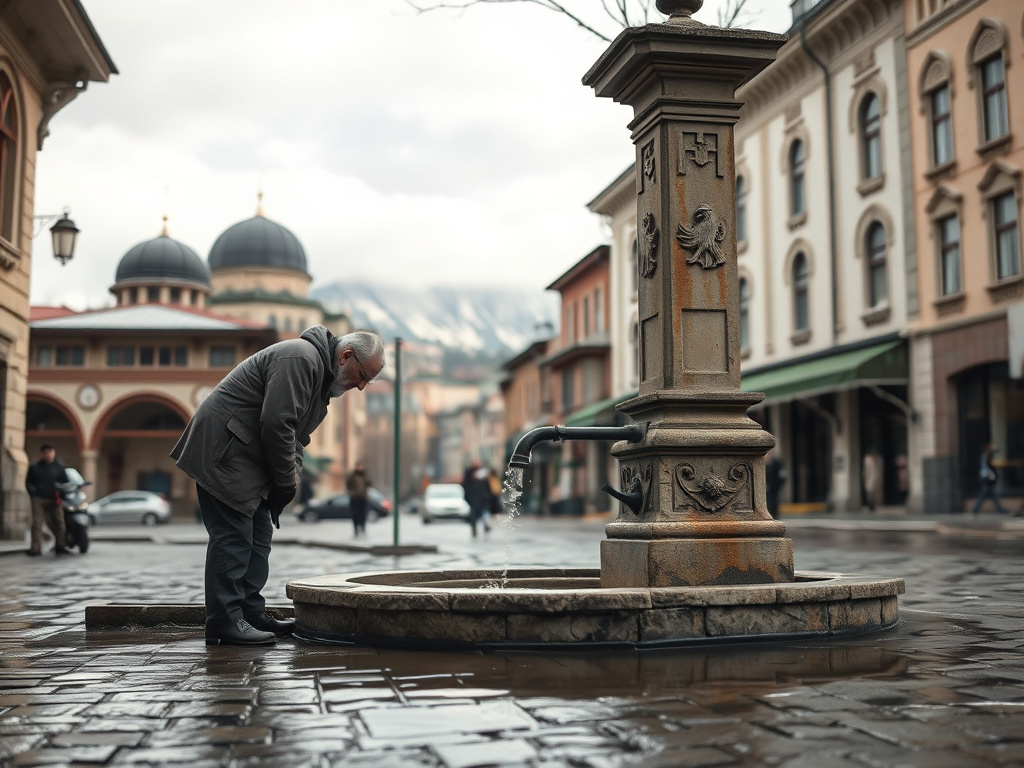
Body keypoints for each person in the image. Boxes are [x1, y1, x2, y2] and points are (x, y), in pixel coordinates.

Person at [171, 326, 384, 646]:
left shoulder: (319, 381)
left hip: (245, 458)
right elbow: (277, 423)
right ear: (346, 356)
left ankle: (250, 612)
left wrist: (289, 482)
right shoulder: (302, 359)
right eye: (363, 375)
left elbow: (297, 439)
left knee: (259, 536)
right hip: (225, 452)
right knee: (233, 537)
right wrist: (285, 482)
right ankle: (223, 621)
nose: (362, 386)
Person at [24, 444, 70, 557]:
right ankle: (36, 547)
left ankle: (60, 545)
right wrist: (33, 492)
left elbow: (65, 483)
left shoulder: (59, 467)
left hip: (54, 498)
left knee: (59, 522)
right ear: (42, 453)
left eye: (50, 452)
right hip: (39, 498)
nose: (48, 454)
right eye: (46, 452)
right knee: (37, 523)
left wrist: (62, 493)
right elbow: (28, 482)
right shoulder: (35, 467)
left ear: (53, 453)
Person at [971, 442, 1008, 516]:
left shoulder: (986, 456)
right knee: (987, 495)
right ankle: (1001, 510)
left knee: (992, 496)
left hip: (987, 478)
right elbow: (987, 468)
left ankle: (1001, 510)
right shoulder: (986, 457)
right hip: (987, 478)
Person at [461, 459, 494, 537]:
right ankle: (474, 528)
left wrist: (488, 495)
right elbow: (466, 486)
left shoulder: (482, 473)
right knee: (474, 514)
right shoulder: (469, 474)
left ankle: (485, 526)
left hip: (483, 498)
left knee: (484, 513)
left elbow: (487, 486)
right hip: (474, 498)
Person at [346, 461, 372, 538]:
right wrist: (352, 492)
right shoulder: (352, 475)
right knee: (355, 515)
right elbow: (348, 485)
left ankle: (363, 529)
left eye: (361, 466)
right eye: (358, 466)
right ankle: (356, 530)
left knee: (363, 514)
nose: (359, 467)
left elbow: (369, 483)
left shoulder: (365, 474)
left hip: (363, 497)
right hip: (355, 497)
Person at [764, 449, 785, 519]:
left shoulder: (776, 463)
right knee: (768, 501)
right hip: (766, 486)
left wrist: (777, 485)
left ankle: (775, 514)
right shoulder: (764, 463)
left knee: (774, 501)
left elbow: (781, 475)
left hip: (774, 486)